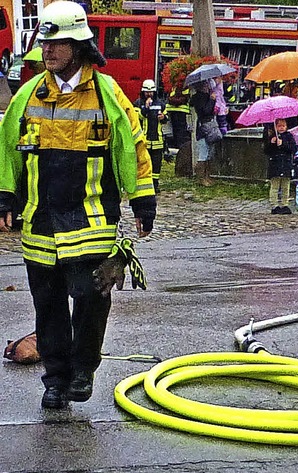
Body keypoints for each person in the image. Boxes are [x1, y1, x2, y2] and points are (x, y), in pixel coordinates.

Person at [0, 0, 156, 409]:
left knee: (90, 295)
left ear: (78, 46)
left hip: (92, 219)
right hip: (41, 223)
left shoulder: (107, 95)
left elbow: (131, 148)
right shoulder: (28, 95)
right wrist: (5, 196)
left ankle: (83, 368)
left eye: (58, 43)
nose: (48, 51)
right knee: (48, 305)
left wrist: (143, 200)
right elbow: (7, 151)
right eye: (45, 43)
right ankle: (56, 379)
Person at [134, 79, 167, 193]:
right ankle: (144, 184)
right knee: (143, 162)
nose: (149, 94)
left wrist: (163, 117)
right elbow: (137, 118)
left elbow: (166, 119)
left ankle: (155, 185)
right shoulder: (138, 103)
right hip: (144, 140)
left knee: (156, 165)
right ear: (143, 92)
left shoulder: (160, 104)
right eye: (147, 92)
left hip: (158, 140)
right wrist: (146, 108)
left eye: (151, 92)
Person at [264, 118, 296, 214]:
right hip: (275, 164)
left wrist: (283, 144)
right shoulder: (272, 136)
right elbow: (266, 151)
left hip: (286, 164)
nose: (281, 128)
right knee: (275, 186)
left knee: (286, 186)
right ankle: (274, 205)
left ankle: (284, 204)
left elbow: (293, 148)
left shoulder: (289, 136)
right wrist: (271, 143)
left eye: (283, 126)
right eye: (279, 126)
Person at [189, 79, 218, 186]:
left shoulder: (204, 96)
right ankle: (201, 178)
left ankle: (207, 176)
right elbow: (205, 111)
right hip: (203, 128)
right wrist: (212, 100)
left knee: (209, 153)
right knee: (203, 153)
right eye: (206, 84)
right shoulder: (200, 98)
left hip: (207, 127)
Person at [165, 84, 191, 150]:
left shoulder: (173, 87)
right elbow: (187, 98)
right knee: (181, 132)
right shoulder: (186, 88)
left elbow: (169, 97)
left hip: (172, 111)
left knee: (175, 130)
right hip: (182, 112)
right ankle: (181, 149)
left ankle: (177, 147)